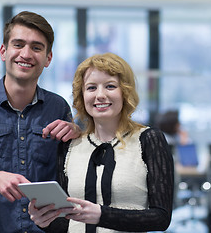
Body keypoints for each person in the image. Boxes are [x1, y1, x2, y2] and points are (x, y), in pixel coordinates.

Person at [0, 11, 81, 233]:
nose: (26, 54)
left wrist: (78, 134)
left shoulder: (58, 107)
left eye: (37, 47)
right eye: (18, 44)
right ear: (4, 51)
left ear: (48, 58)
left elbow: (71, 177)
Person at [28, 53, 174, 232]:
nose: (100, 95)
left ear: (125, 92)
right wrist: (44, 220)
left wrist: (101, 215)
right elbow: (66, 222)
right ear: (82, 96)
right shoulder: (70, 145)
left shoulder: (149, 140)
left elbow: (161, 217)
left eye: (110, 86)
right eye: (91, 88)